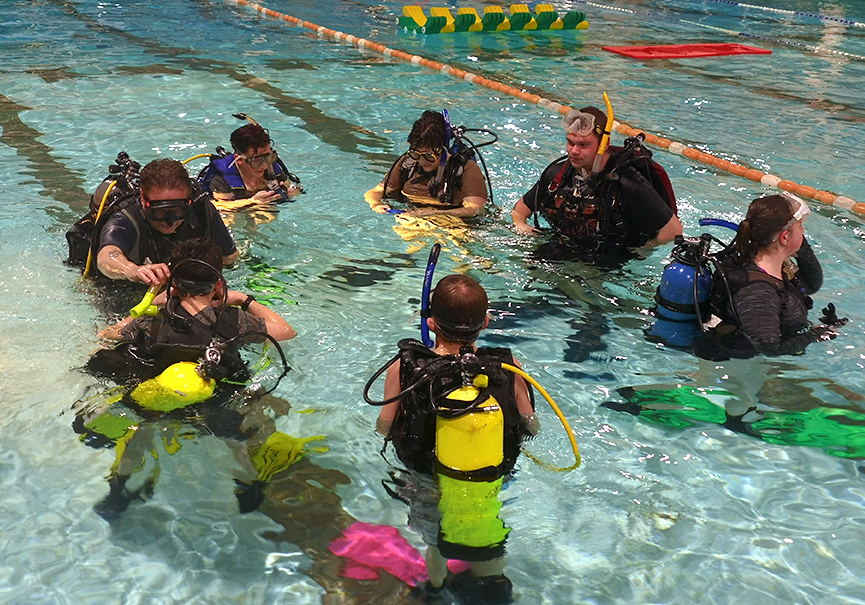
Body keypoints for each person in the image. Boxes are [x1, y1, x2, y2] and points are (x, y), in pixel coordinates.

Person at [375, 275, 537, 603]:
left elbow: (384, 425)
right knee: (486, 528)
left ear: (431, 323)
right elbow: (531, 424)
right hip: (488, 474)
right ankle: (492, 584)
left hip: (429, 479)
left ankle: (435, 588)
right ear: (486, 322)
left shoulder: (404, 368)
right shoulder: (508, 366)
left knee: (436, 539)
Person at [98, 237, 295, 378]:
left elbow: (108, 334)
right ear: (219, 284)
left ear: (173, 284)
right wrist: (243, 299)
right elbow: (287, 332)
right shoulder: (237, 321)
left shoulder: (151, 321)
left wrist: (156, 301)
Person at [511, 106, 682, 256]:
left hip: (608, 261)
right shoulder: (558, 174)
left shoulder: (628, 182)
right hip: (566, 248)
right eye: (570, 143)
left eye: (583, 145)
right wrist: (520, 224)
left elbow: (673, 230)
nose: (574, 151)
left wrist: (640, 252)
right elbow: (521, 208)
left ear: (604, 144)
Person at [704, 193, 843, 357]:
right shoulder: (758, 292)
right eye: (800, 226)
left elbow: (810, 285)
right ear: (784, 237)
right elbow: (769, 347)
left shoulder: (765, 261)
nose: (803, 231)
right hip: (738, 364)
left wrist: (797, 244)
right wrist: (814, 335)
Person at [96, 158, 238, 286]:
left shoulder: (200, 208)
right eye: (160, 211)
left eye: (179, 210)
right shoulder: (127, 220)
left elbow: (229, 257)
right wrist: (132, 270)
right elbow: (106, 256)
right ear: (143, 198)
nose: (170, 221)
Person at [365, 110, 489, 219]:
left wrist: (429, 214)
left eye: (429, 156)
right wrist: (375, 204)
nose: (422, 161)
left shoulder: (465, 169)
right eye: (416, 154)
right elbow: (376, 191)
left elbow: (474, 210)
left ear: (443, 150)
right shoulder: (408, 164)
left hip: (454, 224)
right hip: (412, 216)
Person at [199, 122, 302, 215]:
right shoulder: (222, 177)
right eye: (257, 160)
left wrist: (291, 191)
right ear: (240, 160)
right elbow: (218, 207)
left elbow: (289, 185)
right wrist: (253, 201)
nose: (265, 166)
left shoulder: (271, 165)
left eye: (268, 156)